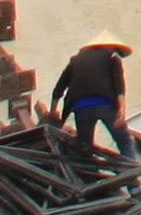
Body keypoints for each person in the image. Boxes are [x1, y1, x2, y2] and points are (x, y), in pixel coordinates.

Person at [52, 38, 132, 168]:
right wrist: (121, 109)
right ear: (109, 47)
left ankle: (87, 178)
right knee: (124, 141)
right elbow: (119, 85)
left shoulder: (75, 60)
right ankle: (133, 185)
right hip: (105, 105)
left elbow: (59, 88)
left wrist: (53, 112)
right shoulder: (112, 58)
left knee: (85, 147)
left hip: (81, 108)